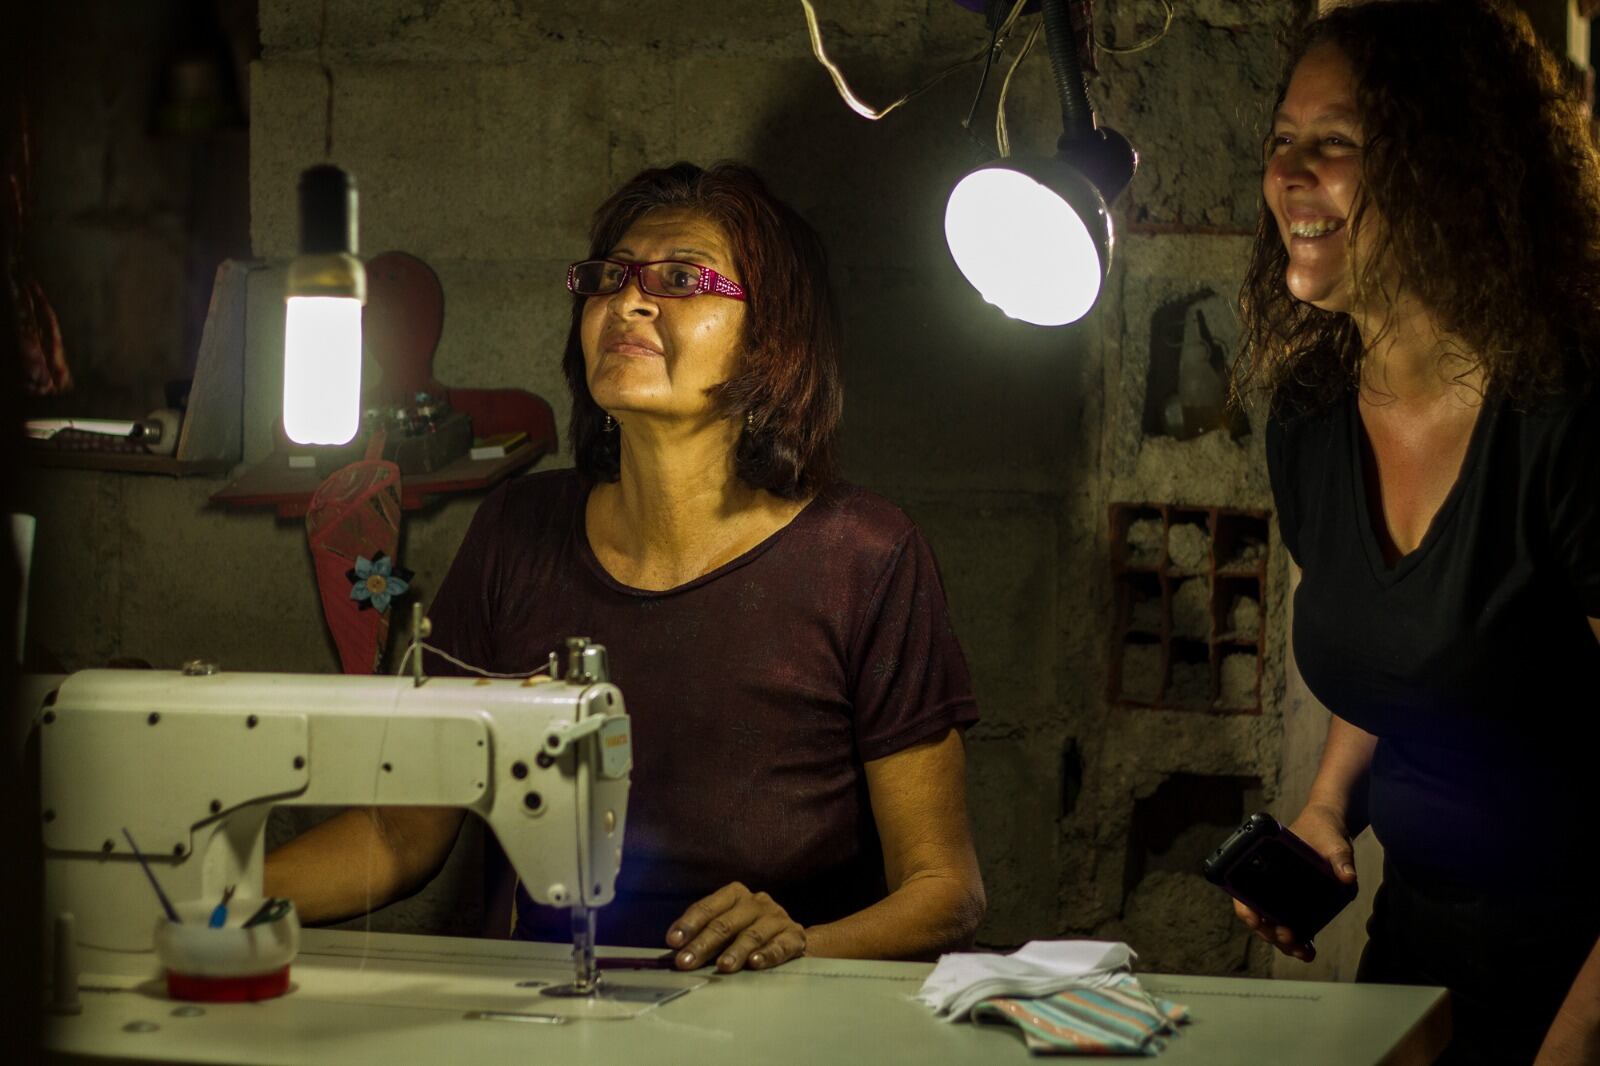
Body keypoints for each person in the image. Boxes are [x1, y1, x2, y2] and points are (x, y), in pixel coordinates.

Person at [266, 162, 987, 974]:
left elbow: (944, 889)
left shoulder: (866, 559)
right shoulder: (518, 531)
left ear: (772, 337)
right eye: (609, 277)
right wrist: (209, 896)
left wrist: (800, 947)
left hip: (777, 1029)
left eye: (681, 278)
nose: (626, 301)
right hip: (555, 1026)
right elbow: (402, 836)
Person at [1230, 3, 1599, 1063]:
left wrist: (1577, 1037)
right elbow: (1408, 644)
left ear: (1447, 169)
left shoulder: (1561, 416)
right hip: (1421, 942)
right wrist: (1325, 810)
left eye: (1335, 144)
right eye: (1281, 141)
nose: (1290, 175)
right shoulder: (1308, 415)